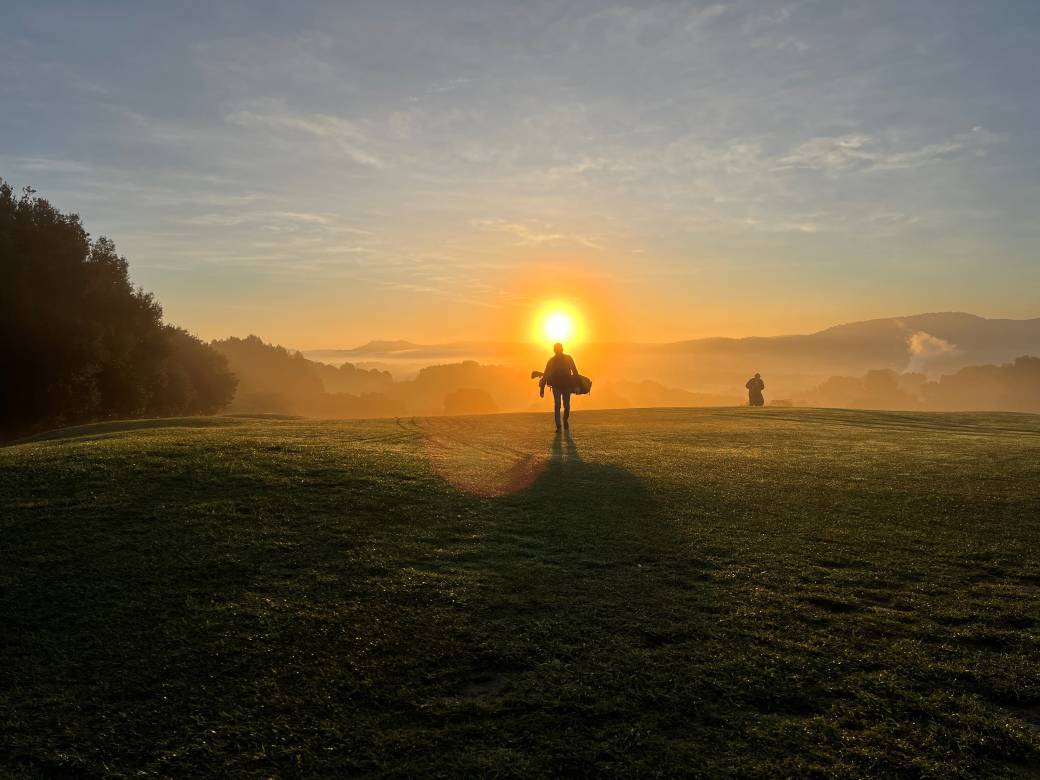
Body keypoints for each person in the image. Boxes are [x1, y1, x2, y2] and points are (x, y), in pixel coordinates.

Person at [540, 342, 580, 431]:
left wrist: (577, 385)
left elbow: (575, 371)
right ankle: (559, 426)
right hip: (557, 386)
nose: (558, 351)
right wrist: (542, 388)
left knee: (565, 406)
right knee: (558, 405)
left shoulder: (568, 358)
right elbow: (546, 374)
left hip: (566, 385)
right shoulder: (552, 361)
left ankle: (564, 421)